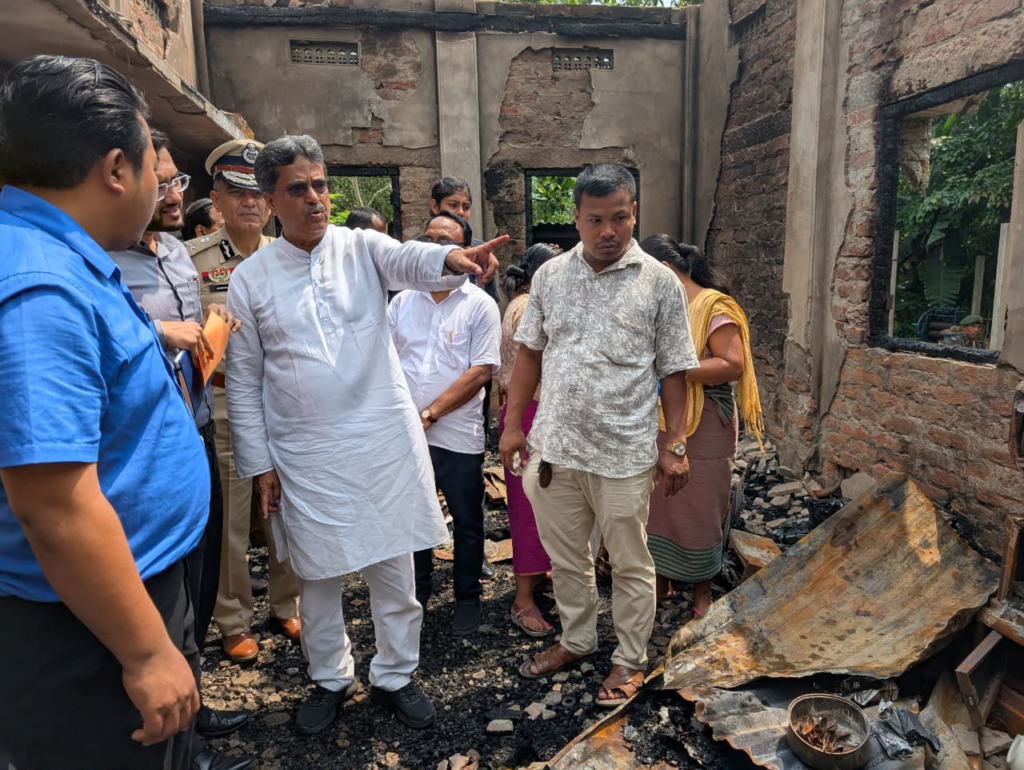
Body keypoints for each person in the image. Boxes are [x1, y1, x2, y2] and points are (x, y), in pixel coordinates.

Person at [226, 135, 507, 735]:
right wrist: (261, 464)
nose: (315, 198)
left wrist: (452, 261)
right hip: (304, 452)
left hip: (382, 439)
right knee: (318, 578)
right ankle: (331, 678)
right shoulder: (250, 278)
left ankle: (396, 675)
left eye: (321, 184)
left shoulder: (361, 247)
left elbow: (411, 260)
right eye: (298, 189)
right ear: (271, 200)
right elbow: (244, 380)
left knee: (395, 569)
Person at [0, 54, 205, 770]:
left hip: (118, 595)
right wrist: (146, 652)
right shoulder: (39, 288)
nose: (162, 186)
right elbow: (54, 504)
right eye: (156, 166)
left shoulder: (63, 255)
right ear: (117, 168)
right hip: (89, 627)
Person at [499, 163, 699, 708]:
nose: (608, 231)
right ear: (576, 218)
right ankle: (578, 639)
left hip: (624, 453)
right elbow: (529, 356)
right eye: (595, 219)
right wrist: (513, 426)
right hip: (556, 450)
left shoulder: (659, 282)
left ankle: (630, 658)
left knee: (630, 562)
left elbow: (675, 371)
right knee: (567, 558)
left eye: (619, 218)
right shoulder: (550, 277)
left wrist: (675, 444)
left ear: (634, 213)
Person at [108, 130, 256, 760]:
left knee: (194, 577)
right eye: (160, 180)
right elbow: (108, 331)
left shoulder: (172, 253)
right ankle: (169, 737)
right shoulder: (98, 260)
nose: (171, 194)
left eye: (177, 182)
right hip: (142, 444)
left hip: (193, 427)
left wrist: (212, 332)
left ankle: (192, 706)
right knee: (155, 586)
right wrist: (159, 329)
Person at [187, 139, 301, 662]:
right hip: (227, 403)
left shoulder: (291, 254)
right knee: (233, 519)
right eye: (238, 193)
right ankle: (233, 618)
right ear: (217, 200)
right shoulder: (194, 261)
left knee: (285, 509)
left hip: (286, 405)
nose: (250, 203)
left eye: (258, 193)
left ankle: (288, 601)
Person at [389, 212, 502, 636]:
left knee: (467, 519)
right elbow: (387, 362)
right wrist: (407, 417)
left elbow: (481, 371)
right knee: (413, 517)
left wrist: (430, 414)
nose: (437, 248)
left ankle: (467, 597)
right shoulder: (403, 301)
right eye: (430, 239)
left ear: (465, 251)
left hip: (456, 435)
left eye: (447, 241)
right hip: (406, 433)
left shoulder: (479, 305)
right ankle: (418, 593)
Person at [640, 234, 764, 615]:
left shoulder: (712, 306)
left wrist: (677, 369)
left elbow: (732, 363)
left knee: (702, 506)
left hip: (707, 422)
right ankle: (661, 582)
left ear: (663, 270)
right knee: (659, 500)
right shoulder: (665, 308)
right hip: (665, 415)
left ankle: (702, 594)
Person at [497, 243, 563, 638]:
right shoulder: (527, 308)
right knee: (528, 507)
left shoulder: (522, 304)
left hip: (534, 412)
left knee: (545, 503)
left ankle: (538, 576)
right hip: (529, 413)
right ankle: (522, 598)